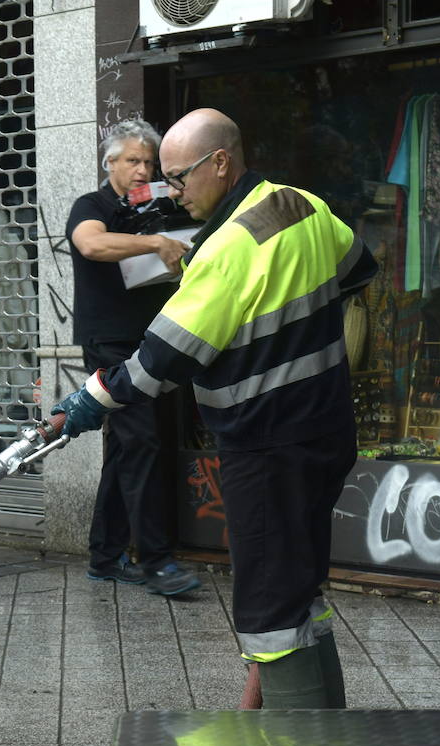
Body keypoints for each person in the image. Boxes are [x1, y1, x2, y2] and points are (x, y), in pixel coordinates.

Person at [51, 109, 378, 710]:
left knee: (270, 609)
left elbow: (158, 363)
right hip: (326, 433)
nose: (172, 191)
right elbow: (359, 267)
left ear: (220, 162)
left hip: (265, 446)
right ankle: (326, 734)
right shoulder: (300, 203)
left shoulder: (224, 251)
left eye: (178, 177)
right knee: (300, 583)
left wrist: (82, 405)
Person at [66, 119, 200, 596]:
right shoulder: (93, 206)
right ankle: (158, 563)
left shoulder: (156, 204)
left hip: (153, 341)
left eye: (149, 161)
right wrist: (154, 243)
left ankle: (105, 557)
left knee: (126, 446)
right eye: (133, 161)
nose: (143, 170)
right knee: (141, 441)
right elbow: (90, 243)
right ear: (110, 164)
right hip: (110, 346)